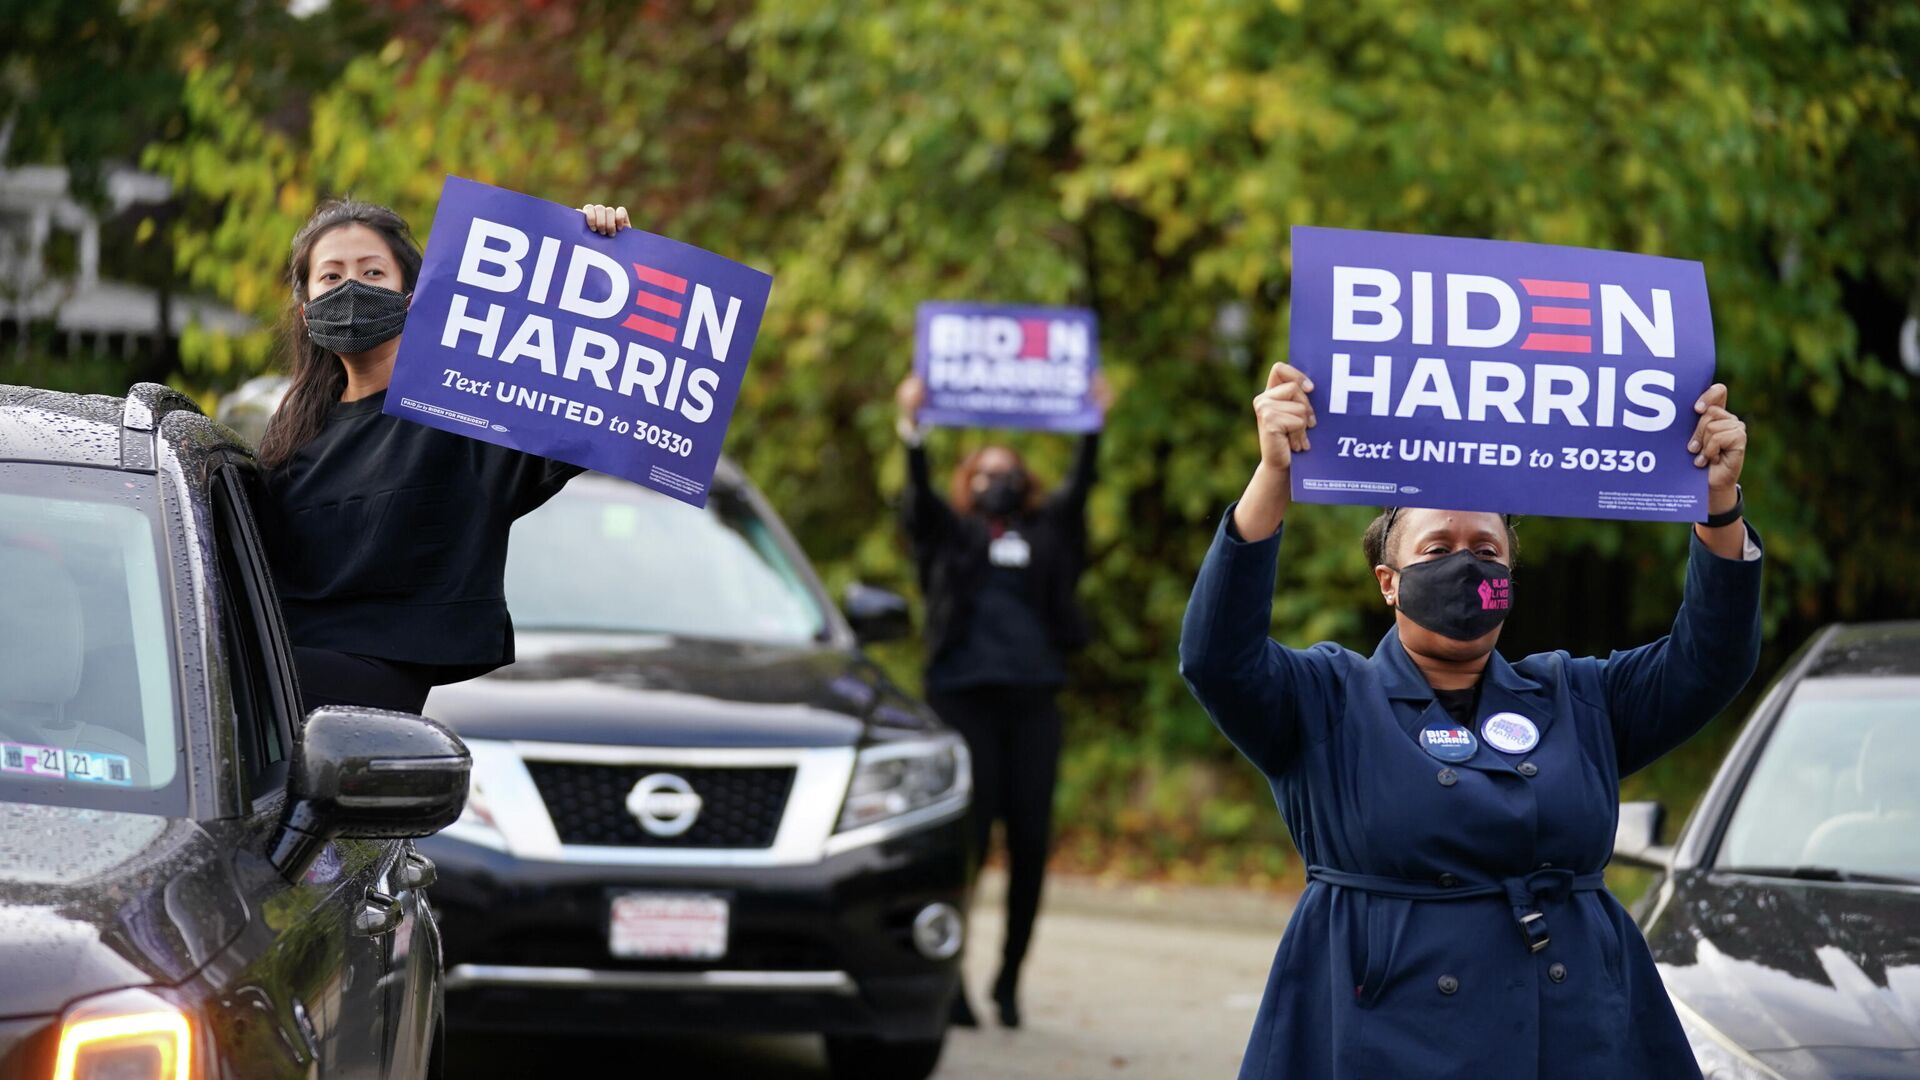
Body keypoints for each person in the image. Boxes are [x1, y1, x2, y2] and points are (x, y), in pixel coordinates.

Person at [1179, 360, 1761, 1079]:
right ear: (1389, 584)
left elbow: (1711, 661)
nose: (1465, 566)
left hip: (1573, 1035)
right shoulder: (1326, 699)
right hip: (1384, 1037)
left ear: (1509, 579)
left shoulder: (1578, 697)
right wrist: (1272, 476)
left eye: (1486, 551)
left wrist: (1718, 505)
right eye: (1436, 549)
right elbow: (1216, 658)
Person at [256, 198, 634, 715]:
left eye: (372, 272)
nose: (350, 290)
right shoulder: (294, 429)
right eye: (331, 277)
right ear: (306, 311)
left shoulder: (465, 414)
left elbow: (589, 407)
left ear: (410, 297)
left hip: (368, 683)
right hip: (278, 681)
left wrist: (602, 259)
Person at [894, 372, 1111, 1029]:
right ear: (967, 483)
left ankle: (1010, 979)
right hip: (962, 705)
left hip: (1031, 708)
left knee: (1032, 842)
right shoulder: (952, 535)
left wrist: (1091, 426)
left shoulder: (1048, 535)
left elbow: (1080, 493)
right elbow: (916, 503)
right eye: (984, 470)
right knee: (965, 848)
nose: (997, 479)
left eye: (1008, 469)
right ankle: (951, 980)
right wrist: (913, 429)